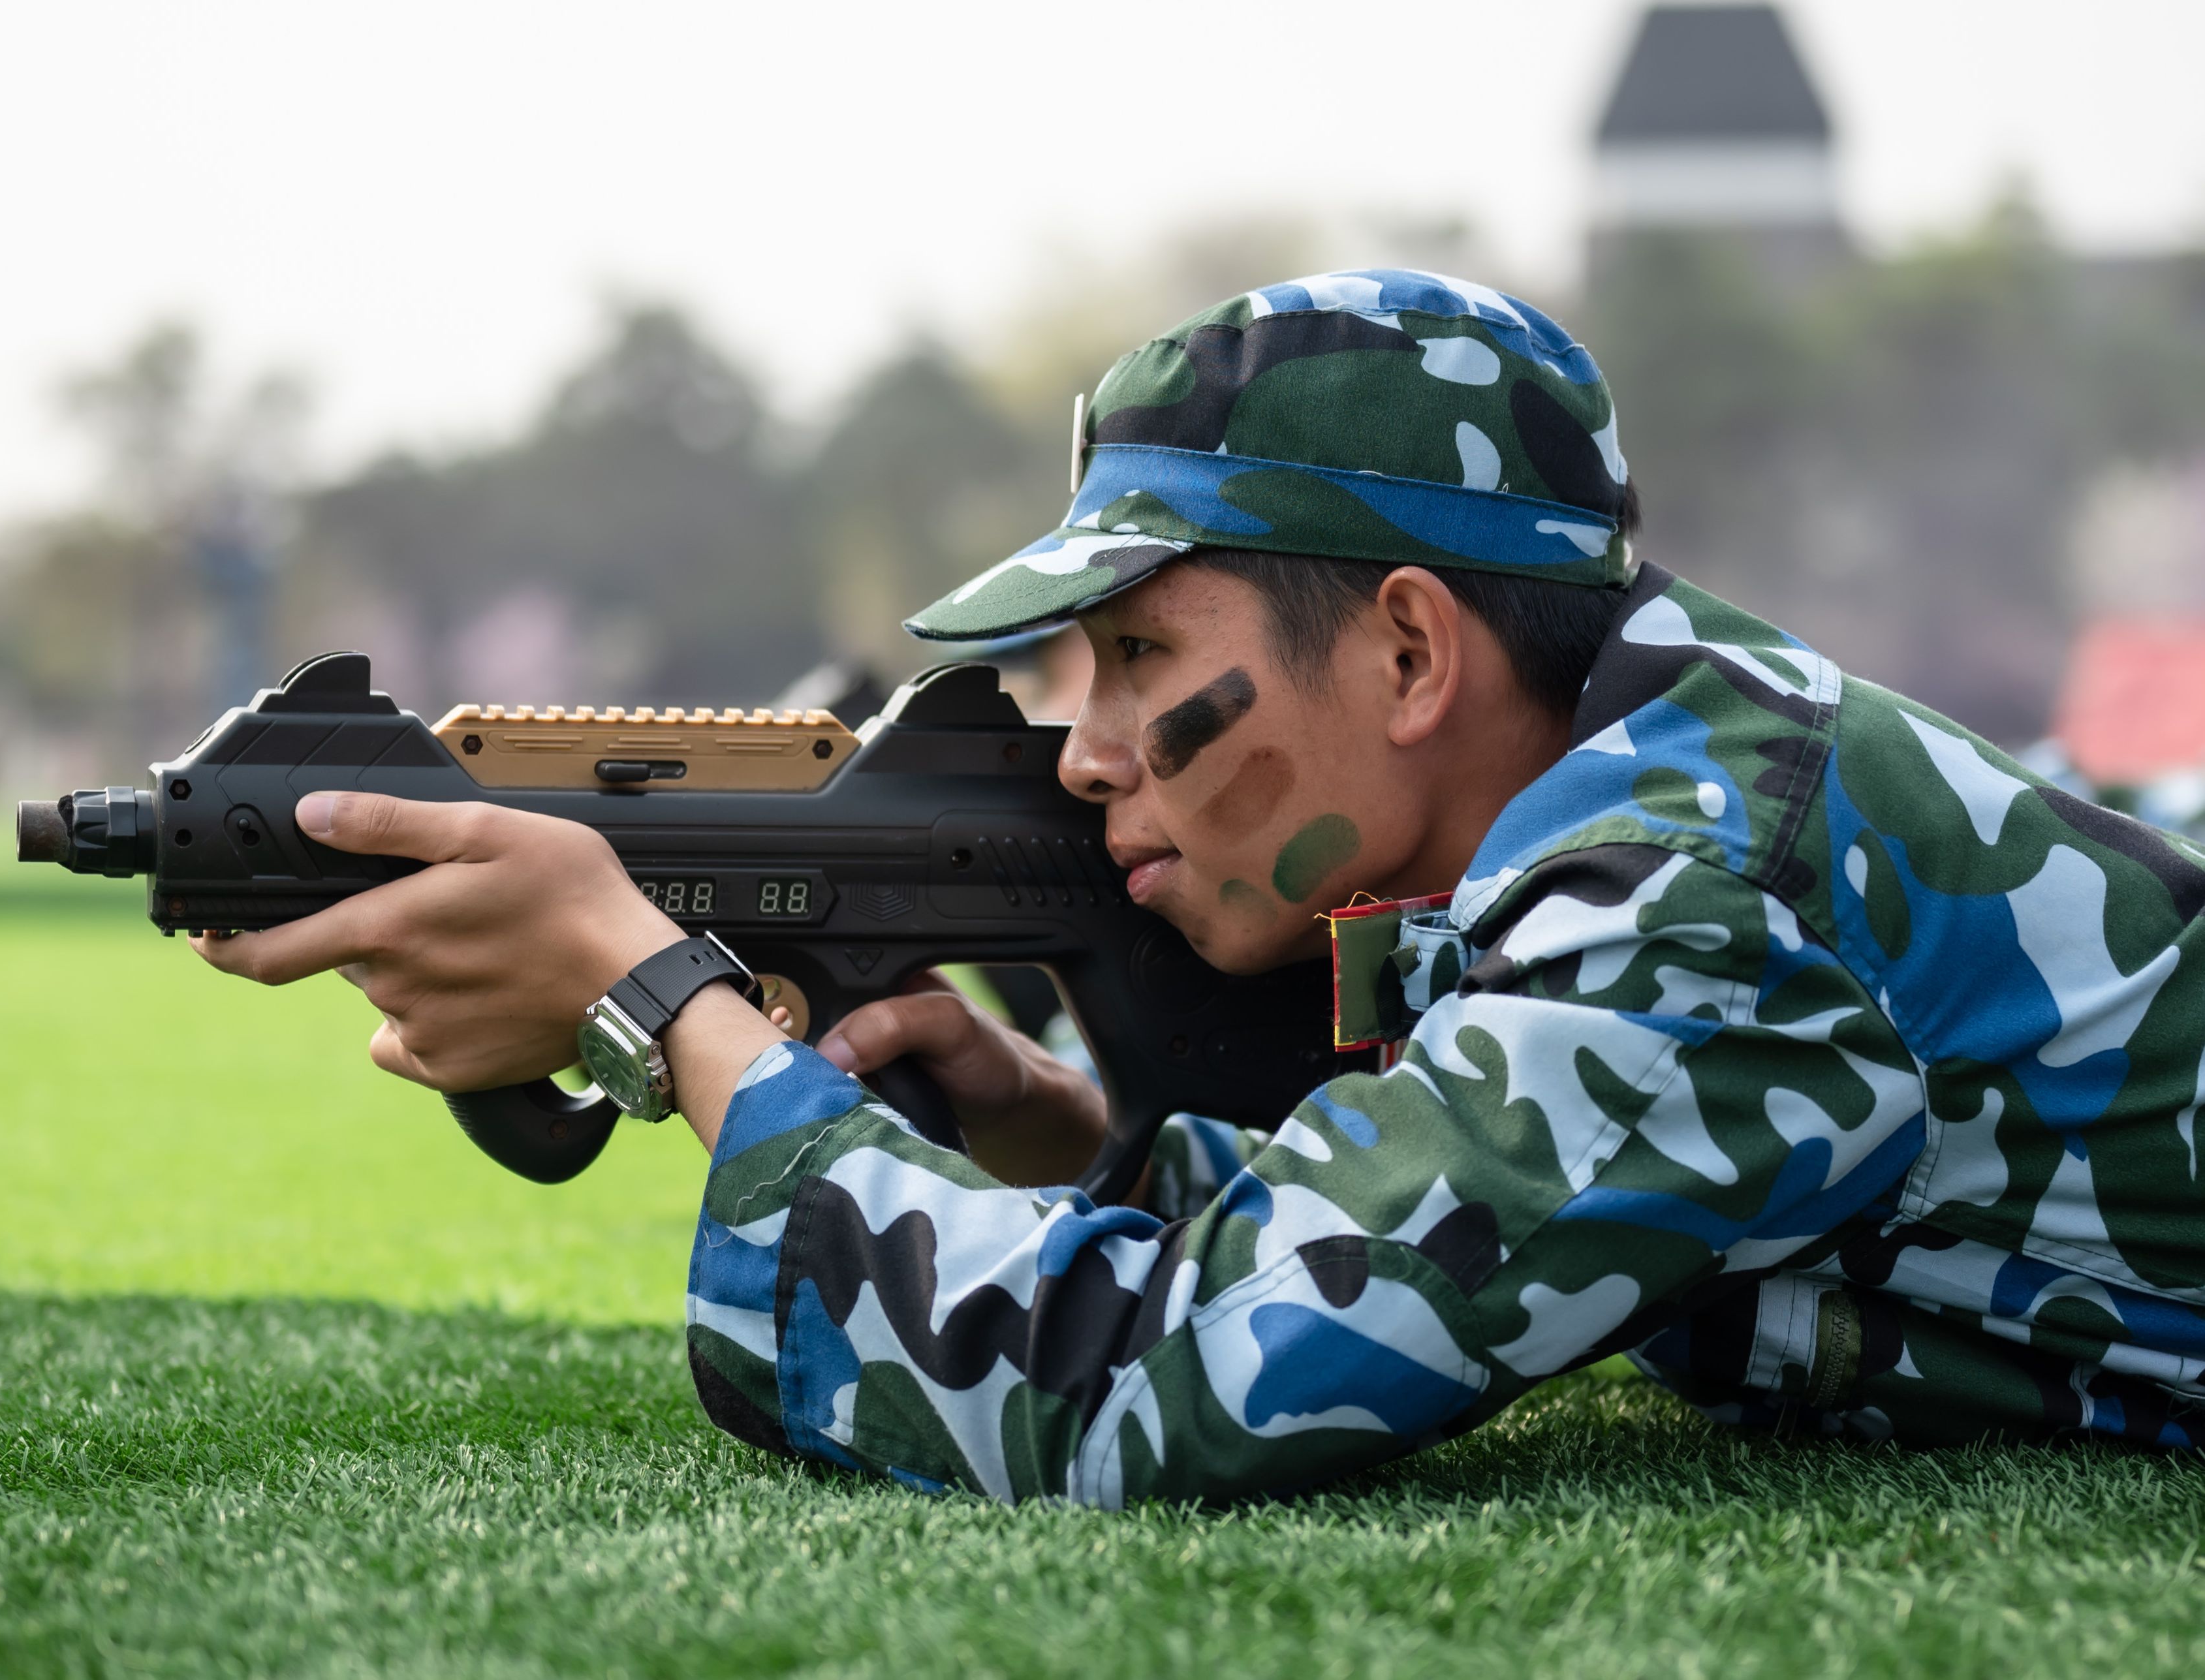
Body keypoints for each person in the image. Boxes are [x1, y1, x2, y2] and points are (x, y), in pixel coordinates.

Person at [195, 270, 2205, 1504]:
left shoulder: (1686, 907)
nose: (1085, 748)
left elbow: (1138, 1404)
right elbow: (1478, 1203)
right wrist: (1077, 1138)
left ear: (1413, 655)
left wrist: (656, 1003)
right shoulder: (1642, 790)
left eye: (1145, 659)